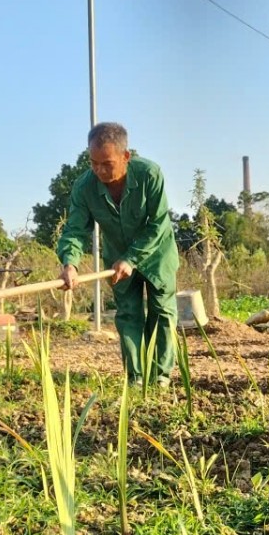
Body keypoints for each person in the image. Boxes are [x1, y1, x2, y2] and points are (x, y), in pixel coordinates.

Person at [56, 122, 180, 387]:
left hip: (157, 254)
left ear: (126, 157)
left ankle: (159, 377)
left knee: (162, 312)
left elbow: (158, 223)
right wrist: (70, 263)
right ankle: (135, 379)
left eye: (107, 163)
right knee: (127, 315)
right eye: (93, 163)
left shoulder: (149, 174)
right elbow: (75, 229)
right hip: (116, 257)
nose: (99, 170)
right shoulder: (84, 187)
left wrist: (132, 258)